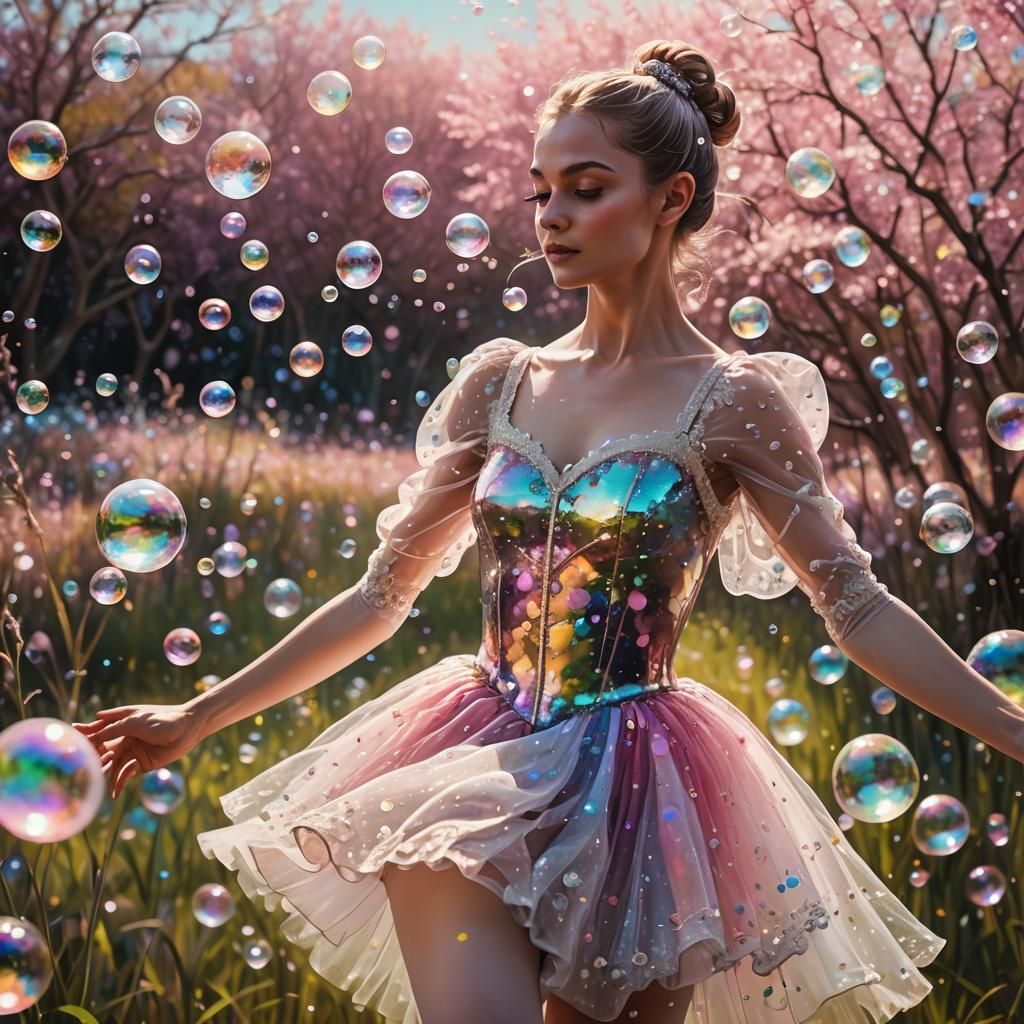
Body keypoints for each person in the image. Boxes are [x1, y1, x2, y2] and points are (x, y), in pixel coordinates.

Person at [73, 40, 1024, 1024]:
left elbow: (857, 605)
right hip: (469, 761)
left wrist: (1010, 728)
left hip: (643, 790)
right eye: (540, 192)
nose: (552, 217)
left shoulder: (732, 400)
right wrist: (195, 717)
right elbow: (378, 595)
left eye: (586, 186)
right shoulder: (502, 381)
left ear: (669, 197)